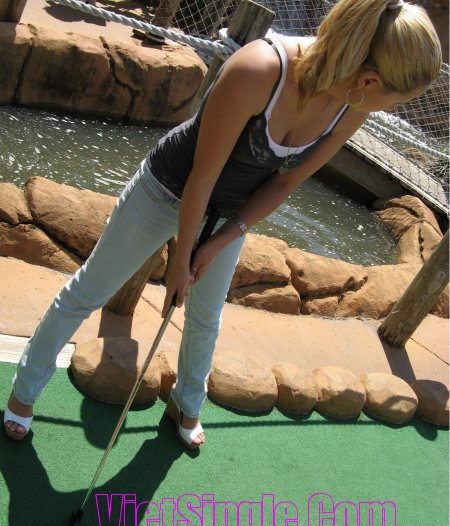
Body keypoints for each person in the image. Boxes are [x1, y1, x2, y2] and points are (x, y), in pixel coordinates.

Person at [4, 0, 442, 447]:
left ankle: (186, 402)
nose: (388, 110)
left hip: (230, 212)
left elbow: (286, 181)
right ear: (368, 80)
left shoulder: (353, 104)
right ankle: (24, 391)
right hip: (167, 189)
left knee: (205, 316)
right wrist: (179, 263)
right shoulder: (259, 70)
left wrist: (222, 239)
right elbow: (202, 177)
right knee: (88, 292)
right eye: (394, 101)